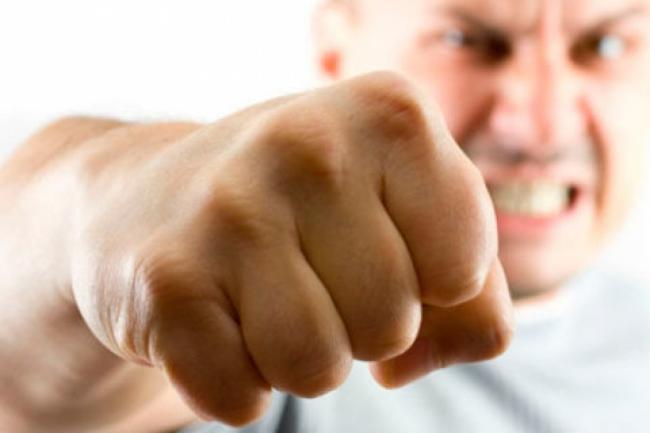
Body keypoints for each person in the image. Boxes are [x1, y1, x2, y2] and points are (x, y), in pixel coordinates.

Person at [1, 0, 649, 431]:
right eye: (466, 41)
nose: (541, 125)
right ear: (337, 51)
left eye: (606, 45)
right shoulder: (257, 310)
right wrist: (105, 206)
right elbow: (32, 378)